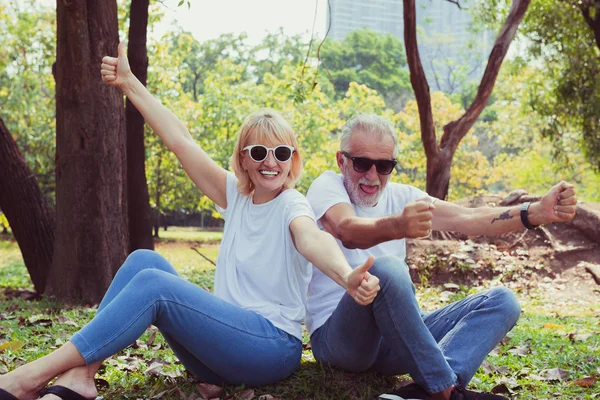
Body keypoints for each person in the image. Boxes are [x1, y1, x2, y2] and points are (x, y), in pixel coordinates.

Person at [0, 44, 380, 400]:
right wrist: (130, 84)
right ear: (244, 158)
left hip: (271, 349)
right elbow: (180, 140)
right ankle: (83, 373)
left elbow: (313, 240)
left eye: (281, 152)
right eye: (260, 151)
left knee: (154, 285)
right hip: (219, 350)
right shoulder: (236, 196)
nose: (271, 161)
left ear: (292, 159)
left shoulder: (292, 204)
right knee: (143, 263)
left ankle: (32, 375)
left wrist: (345, 275)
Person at [304, 114, 578, 400]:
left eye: (384, 166)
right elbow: (347, 230)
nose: (372, 175)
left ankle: (419, 393)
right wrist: (397, 225)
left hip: (395, 341)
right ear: (341, 160)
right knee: (386, 270)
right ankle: (447, 393)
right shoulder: (327, 186)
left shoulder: (403, 196)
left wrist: (535, 212)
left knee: (502, 301)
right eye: (362, 163)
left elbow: (468, 218)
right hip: (341, 341)